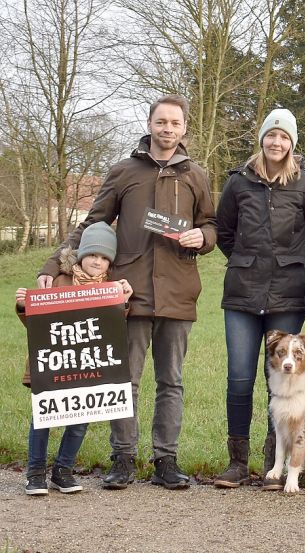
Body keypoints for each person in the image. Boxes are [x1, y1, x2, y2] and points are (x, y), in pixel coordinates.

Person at [37, 94, 217, 491]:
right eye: (161, 122)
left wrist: (201, 236)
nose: (168, 129)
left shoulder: (196, 175)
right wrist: (53, 265)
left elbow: (212, 225)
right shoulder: (124, 171)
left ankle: (166, 460)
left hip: (178, 293)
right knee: (125, 381)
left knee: (171, 381)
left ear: (185, 128)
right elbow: (92, 224)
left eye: (175, 123)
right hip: (127, 293)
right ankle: (122, 458)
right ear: (150, 124)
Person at [213, 109, 305, 489]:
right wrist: (247, 261)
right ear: (261, 138)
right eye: (271, 135)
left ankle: (272, 465)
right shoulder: (238, 183)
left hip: (288, 295)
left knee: (280, 379)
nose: (277, 142)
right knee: (240, 378)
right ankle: (237, 462)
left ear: (292, 143)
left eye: (284, 137)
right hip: (243, 293)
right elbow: (224, 232)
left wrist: (298, 267)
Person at [17, 222, 133, 495]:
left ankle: (63, 470)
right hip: (54, 365)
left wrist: (124, 303)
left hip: (89, 365)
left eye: (105, 258)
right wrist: (24, 307)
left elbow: (113, 330)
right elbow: (40, 326)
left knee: (80, 419)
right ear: (81, 255)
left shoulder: (111, 288)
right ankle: (35, 473)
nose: (98, 261)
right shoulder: (58, 281)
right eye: (93, 254)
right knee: (43, 419)